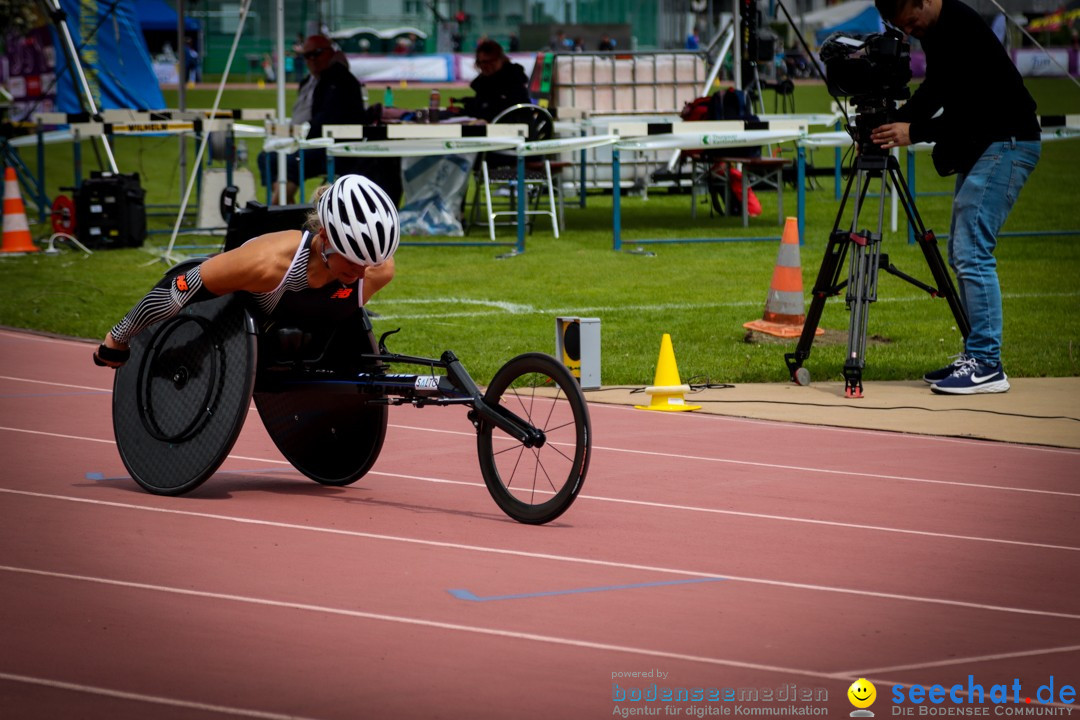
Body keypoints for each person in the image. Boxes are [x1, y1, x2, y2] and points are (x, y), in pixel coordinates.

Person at [870, 0, 1041, 395]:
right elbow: (937, 88)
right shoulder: (937, 30)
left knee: (972, 250)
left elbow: (971, 110)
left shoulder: (959, 25)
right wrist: (899, 120)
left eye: (911, 22)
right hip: (988, 143)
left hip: (1006, 140)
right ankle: (976, 355)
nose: (910, 32)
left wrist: (913, 131)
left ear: (925, 1)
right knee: (963, 251)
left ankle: (986, 364)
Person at [92, 175, 398, 369]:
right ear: (326, 238)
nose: (361, 274)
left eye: (368, 264)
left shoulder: (379, 271)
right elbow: (181, 288)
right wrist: (118, 337)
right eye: (353, 262)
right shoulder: (268, 263)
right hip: (239, 320)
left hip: (312, 339)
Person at [257, 35, 368, 205]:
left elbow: (327, 119)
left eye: (316, 53)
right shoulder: (313, 81)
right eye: (307, 56)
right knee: (268, 157)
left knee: (292, 161)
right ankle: (285, 208)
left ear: (330, 52)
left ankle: (274, 211)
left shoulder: (340, 80)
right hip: (316, 142)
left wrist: (302, 139)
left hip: (339, 148)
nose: (312, 59)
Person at [459, 39, 531, 122]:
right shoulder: (484, 82)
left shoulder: (511, 80)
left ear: (499, 59)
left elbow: (494, 109)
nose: (483, 66)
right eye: (480, 62)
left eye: (487, 62)